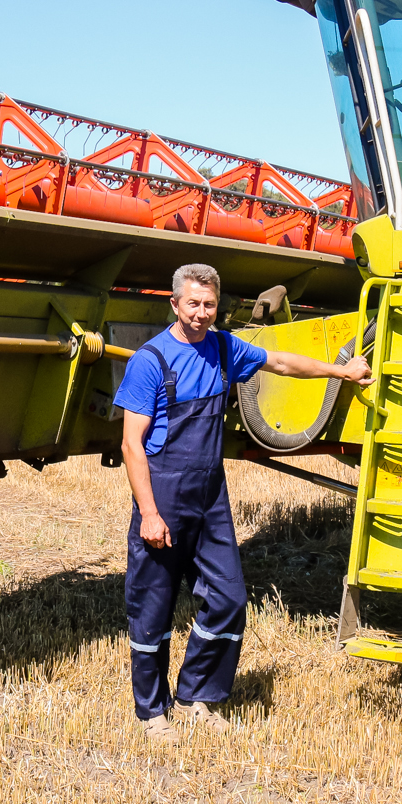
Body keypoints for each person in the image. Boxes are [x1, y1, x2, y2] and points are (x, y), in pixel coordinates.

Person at [114, 263, 371, 743]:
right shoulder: (151, 361)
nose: (201, 313)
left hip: (210, 496)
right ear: (174, 303)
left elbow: (281, 363)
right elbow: (132, 444)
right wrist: (149, 512)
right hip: (164, 495)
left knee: (229, 599)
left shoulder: (224, 348)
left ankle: (196, 697)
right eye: (192, 303)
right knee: (154, 608)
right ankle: (152, 713)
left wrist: (340, 370)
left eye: (209, 305)